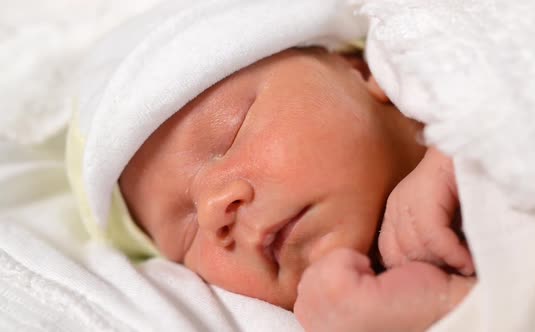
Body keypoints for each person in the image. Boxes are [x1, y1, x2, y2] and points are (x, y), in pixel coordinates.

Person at [117, 46, 476, 331]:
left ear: (368, 70)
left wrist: (467, 149)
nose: (213, 210)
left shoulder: (486, 79)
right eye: (188, 233)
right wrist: (443, 305)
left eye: (231, 135)